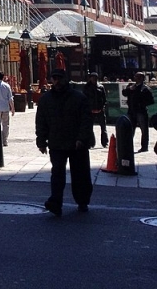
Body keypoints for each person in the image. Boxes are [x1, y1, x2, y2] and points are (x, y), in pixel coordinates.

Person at [35, 68, 94, 216]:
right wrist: (41, 141)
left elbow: (86, 121)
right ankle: (55, 202)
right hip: (57, 142)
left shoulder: (79, 98)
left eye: (59, 78)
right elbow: (41, 122)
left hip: (76, 143)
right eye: (54, 78)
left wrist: (82, 138)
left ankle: (82, 201)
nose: (57, 81)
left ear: (65, 79)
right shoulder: (46, 99)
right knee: (57, 174)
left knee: (80, 174)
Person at [121, 71, 154, 153]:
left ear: (142, 78)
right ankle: (128, 146)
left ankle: (144, 146)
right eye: (136, 77)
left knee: (144, 130)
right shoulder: (132, 87)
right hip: (131, 111)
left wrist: (141, 103)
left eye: (138, 77)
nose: (136, 78)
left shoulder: (145, 88)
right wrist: (130, 89)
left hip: (141, 111)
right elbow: (124, 93)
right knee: (130, 129)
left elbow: (151, 100)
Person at [84, 72, 108, 149]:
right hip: (90, 111)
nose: (94, 79)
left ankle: (105, 143)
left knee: (103, 128)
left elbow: (104, 98)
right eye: (93, 77)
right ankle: (91, 143)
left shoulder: (101, 87)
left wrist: (103, 106)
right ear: (90, 78)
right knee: (90, 128)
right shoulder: (86, 87)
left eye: (95, 78)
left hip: (100, 110)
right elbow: (84, 99)